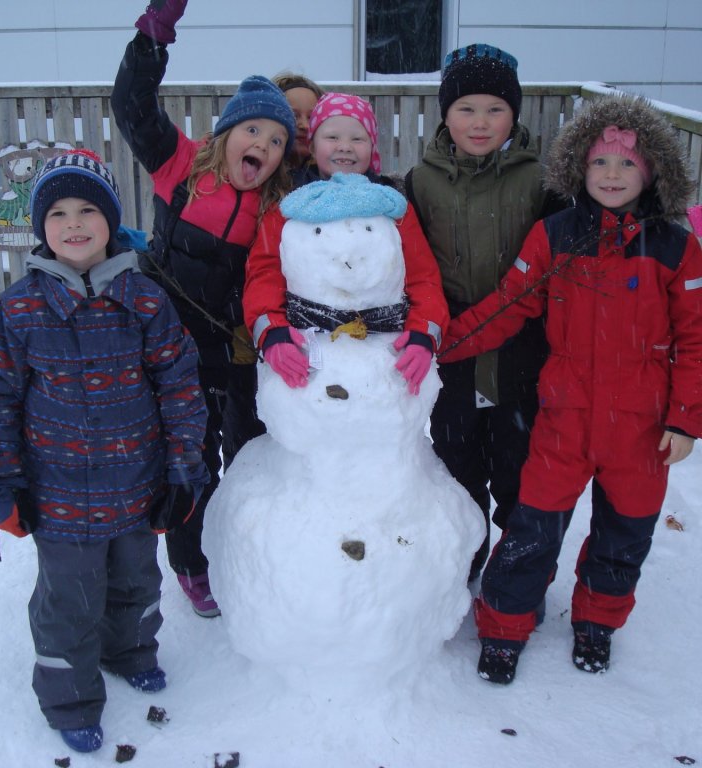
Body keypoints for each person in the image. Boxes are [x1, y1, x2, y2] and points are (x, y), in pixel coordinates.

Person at [440, 94, 702, 684]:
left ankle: (598, 621)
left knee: (625, 531)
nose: (612, 175)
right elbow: (507, 306)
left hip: (641, 426)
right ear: (580, 170)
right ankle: (505, 626)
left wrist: (685, 418)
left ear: (653, 171)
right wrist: (436, 348)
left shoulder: (674, 247)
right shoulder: (556, 236)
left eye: (628, 164)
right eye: (600, 164)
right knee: (532, 526)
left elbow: (695, 337)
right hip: (564, 418)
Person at [0, 149, 209, 752]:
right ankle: (70, 697)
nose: (73, 223)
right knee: (69, 602)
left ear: (110, 220)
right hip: (56, 498)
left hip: (137, 485)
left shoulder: (146, 300)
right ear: (40, 226)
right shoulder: (17, 311)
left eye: (87, 210)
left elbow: (181, 387)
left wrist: (183, 470)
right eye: (57, 212)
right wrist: (5, 483)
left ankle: (129, 650)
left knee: (137, 584)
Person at [110, 0, 296, 616]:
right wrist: (152, 39)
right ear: (226, 133)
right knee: (166, 457)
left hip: (228, 352)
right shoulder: (182, 166)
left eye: (275, 140)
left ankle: (221, 559)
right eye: (253, 131)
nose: (263, 145)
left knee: (228, 459)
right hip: (160, 344)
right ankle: (165, 560)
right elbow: (133, 108)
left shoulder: (277, 206)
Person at [405, 44, 561, 583]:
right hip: (455, 350)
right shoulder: (421, 182)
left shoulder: (542, 180)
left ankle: (517, 578)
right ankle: (463, 565)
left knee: (520, 472)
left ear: (514, 115)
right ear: (445, 114)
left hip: (523, 349)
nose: (480, 122)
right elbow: (411, 266)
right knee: (457, 466)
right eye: (465, 108)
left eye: (495, 109)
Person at [244, 92, 449, 396]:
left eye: (358, 138)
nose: (344, 146)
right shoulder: (289, 206)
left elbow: (423, 277)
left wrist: (423, 334)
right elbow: (265, 272)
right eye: (332, 136)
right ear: (312, 145)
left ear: (372, 147)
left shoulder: (392, 207)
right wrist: (271, 332)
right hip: (306, 353)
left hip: (384, 356)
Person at [272, 72, 324, 171]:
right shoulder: (257, 176)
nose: (305, 125)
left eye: (312, 117)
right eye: (293, 116)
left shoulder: (330, 176)